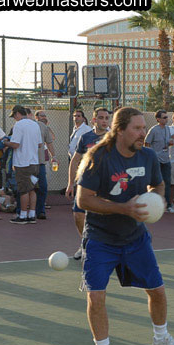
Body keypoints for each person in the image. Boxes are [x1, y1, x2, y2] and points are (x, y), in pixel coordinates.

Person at [75, 107, 174, 345]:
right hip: (101, 238)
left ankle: (161, 339)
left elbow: (158, 186)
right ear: (120, 130)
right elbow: (84, 200)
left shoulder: (148, 156)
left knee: (157, 291)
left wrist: (156, 202)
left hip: (135, 238)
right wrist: (123, 208)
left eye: (143, 128)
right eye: (137, 129)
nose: (142, 133)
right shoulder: (98, 157)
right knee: (96, 296)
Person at [67, 108, 111, 259]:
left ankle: (106, 248)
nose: (104, 120)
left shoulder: (113, 138)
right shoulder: (85, 137)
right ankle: (84, 243)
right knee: (78, 216)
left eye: (106, 118)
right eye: (101, 118)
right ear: (94, 120)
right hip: (85, 184)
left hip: (105, 185)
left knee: (103, 219)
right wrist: (70, 183)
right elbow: (74, 161)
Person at [3, 105, 41, 224]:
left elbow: (15, 144)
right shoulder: (35, 124)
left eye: (14, 116)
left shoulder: (18, 125)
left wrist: (5, 142)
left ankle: (23, 215)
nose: (15, 118)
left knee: (24, 190)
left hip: (23, 163)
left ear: (18, 114)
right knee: (32, 189)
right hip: (34, 162)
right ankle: (32, 214)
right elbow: (40, 144)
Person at [145, 110, 174, 213]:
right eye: (164, 117)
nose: (166, 119)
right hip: (156, 160)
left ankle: (167, 205)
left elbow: (168, 141)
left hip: (166, 159)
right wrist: (150, 157)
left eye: (167, 117)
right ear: (158, 119)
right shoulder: (153, 130)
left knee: (167, 182)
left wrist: (170, 143)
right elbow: (147, 143)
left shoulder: (168, 129)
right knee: (155, 183)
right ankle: (153, 205)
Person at [34, 109, 58, 220]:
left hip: (44, 157)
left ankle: (41, 207)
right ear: (36, 117)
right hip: (32, 159)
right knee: (33, 184)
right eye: (41, 115)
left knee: (44, 182)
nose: (44, 117)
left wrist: (47, 127)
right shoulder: (33, 126)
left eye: (45, 115)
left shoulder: (45, 128)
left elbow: (52, 138)